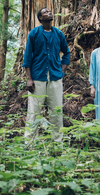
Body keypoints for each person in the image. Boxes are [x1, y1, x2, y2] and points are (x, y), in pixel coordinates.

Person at [22, 7, 70, 142]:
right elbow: (27, 57)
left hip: (55, 78)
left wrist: (62, 71)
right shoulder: (34, 34)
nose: (49, 13)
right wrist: (29, 79)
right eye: (45, 13)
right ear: (40, 18)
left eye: (50, 11)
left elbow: (67, 53)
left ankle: (57, 144)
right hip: (37, 78)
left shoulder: (58, 34)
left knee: (56, 112)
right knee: (34, 112)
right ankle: (29, 144)